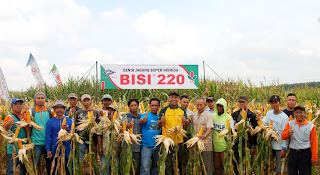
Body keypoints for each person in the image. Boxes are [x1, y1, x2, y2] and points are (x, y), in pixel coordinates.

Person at [158, 91, 190, 175]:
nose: (174, 99)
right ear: (169, 99)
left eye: (175, 97)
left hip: (179, 141)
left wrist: (185, 121)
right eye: (172, 97)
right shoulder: (164, 110)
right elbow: (159, 125)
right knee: (168, 164)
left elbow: (186, 124)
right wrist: (161, 121)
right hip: (168, 142)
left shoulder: (182, 110)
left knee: (179, 162)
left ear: (178, 99)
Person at [281, 105, 318, 175]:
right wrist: (288, 132)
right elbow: (283, 136)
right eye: (296, 112)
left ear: (305, 113)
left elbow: (314, 142)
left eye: (301, 112)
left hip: (305, 154)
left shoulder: (311, 126)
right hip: (293, 154)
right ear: (294, 114)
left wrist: (314, 157)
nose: (298, 114)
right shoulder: (290, 123)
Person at [257, 95, 289, 175]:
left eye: (276, 102)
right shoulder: (269, 113)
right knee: (268, 166)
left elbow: (285, 134)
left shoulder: (284, 117)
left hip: (279, 147)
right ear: (270, 104)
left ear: (280, 103)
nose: (274, 104)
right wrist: (259, 120)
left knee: (279, 168)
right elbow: (264, 124)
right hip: (269, 145)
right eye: (272, 103)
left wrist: (284, 148)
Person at [231, 95, 258, 175]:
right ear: (238, 103)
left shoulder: (252, 116)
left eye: (243, 102)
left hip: (247, 143)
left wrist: (253, 146)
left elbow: (255, 132)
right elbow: (232, 129)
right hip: (236, 143)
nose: (241, 103)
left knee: (246, 163)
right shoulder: (235, 115)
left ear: (247, 103)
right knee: (236, 162)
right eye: (240, 102)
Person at [46, 100, 73, 175]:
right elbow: (48, 136)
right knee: (54, 170)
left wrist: (67, 129)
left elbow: (72, 134)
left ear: (64, 109)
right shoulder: (50, 122)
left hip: (67, 149)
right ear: (54, 110)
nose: (59, 110)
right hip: (55, 150)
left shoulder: (69, 121)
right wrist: (48, 149)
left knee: (69, 170)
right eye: (57, 108)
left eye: (61, 108)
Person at [3, 98, 28, 175]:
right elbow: (5, 129)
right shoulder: (9, 117)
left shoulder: (25, 116)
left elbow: (29, 129)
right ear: (12, 107)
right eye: (15, 104)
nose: (18, 106)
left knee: (23, 169)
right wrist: (8, 124)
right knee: (11, 169)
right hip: (13, 148)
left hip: (24, 147)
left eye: (20, 104)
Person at [74, 94, 100, 162]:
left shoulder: (96, 112)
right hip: (81, 140)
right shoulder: (78, 113)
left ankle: (93, 172)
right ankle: (81, 171)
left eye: (88, 100)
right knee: (80, 159)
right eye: (84, 101)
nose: (86, 102)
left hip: (93, 140)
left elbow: (98, 126)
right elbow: (75, 127)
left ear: (91, 101)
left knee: (93, 160)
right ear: (81, 102)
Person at [31, 92, 52, 174]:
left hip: (48, 144)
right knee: (34, 165)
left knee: (49, 165)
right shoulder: (31, 112)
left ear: (45, 100)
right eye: (38, 98)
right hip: (36, 143)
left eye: (42, 98)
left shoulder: (50, 111)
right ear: (35, 100)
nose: (40, 100)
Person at [191, 97, 214, 175]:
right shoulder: (194, 115)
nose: (199, 107)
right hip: (196, 144)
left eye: (201, 105)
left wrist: (204, 135)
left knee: (207, 166)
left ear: (205, 105)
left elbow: (209, 128)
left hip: (206, 144)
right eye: (197, 105)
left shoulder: (208, 115)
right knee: (197, 165)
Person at [139, 98, 162, 175]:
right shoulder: (145, 115)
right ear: (149, 106)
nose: (154, 107)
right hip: (146, 146)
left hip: (158, 146)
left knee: (156, 167)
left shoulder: (160, 117)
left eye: (156, 105)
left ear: (159, 106)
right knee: (145, 168)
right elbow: (141, 121)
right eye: (152, 105)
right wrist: (143, 120)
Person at [212, 98, 234, 174]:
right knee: (217, 166)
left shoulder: (229, 117)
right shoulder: (212, 116)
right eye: (218, 106)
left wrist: (231, 143)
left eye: (221, 106)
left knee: (226, 165)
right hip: (215, 145)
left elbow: (232, 131)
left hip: (225, 146)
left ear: (224, 107)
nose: (219, 108)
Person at [97, 105, 120, 175]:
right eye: (109, 110)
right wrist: (100, 147)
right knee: (104, 169)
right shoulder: (103, 121)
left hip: (116, 150)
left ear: (116, 112)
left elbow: (122, 136)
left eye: (112, 110)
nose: (110, 112)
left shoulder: (119, 123)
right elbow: (99, 134)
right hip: (105, 149)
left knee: (115, 169)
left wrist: (121, 147)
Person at [124, 98, 142, 175]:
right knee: (126, 165)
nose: (133, 107)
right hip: (127, 145)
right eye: (131, 105)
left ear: (138, 106)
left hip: (138, 145)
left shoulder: (141, 116)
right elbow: (123, 127)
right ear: (129, 107)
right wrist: (127, 126)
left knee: (136, 166)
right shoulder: (126, 116)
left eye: (135, 105)